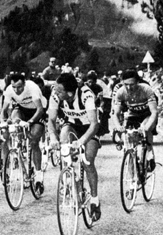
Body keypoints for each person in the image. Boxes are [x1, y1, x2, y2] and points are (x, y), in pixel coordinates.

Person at [48, 72, 102, 221]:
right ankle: (69, 179)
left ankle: (94, 200)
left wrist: (82, 141)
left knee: (88, 160)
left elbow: (94, 124)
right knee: (64, 136)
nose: (56, 93)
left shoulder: (86, 95)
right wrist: (53, 137)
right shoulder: (55, 94)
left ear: (70, 92)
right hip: (72, 124)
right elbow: (51, 120)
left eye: (59, 91)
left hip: (89, 128)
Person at [1, 73, 46, 194]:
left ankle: (38, 175)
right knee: (15, 120)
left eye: (19, 87)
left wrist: (30, 122)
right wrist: (2, 122)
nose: (17, 90)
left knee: (34, 140)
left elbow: (40, 109)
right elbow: (3, 110)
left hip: (37, 111)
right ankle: (18, 146)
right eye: (14, 87)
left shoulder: (32, 87)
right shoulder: (9, 90)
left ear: (24, 84)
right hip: (22, 110)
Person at [112, 69, 159, 146]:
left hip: (147, 114)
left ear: (138, 82)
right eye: (126, 84)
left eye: (132, 84)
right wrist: (118, 127)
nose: (129, 87)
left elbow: (154, 112)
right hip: (133, 113)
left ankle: (149, 152)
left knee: (146, 130)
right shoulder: (120, 92)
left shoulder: (146, 89)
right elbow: (115, 114)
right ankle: (131, 153)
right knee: (130, 135)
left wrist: (147, 127)